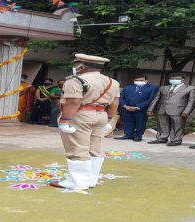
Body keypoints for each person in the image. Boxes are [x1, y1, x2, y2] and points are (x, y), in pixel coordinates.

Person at [49, 53, 120, 190]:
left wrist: (64, 121)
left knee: (77, 148)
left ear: (81, 66)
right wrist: (109, 119)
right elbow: (115, 102)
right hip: (101, 114)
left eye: (76, 64)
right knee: (95, 148)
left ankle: (77, 182)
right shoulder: (113, 82)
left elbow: (73, 102)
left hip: (80, 115)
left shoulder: (75, 80)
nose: (74, 67)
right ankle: (90, 180)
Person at [147, 73, 195, 146]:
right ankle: (161, 138)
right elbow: (156, 99)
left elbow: (191, 101)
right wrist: (150, 109)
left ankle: (176, 140)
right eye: (172, 79)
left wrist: (187, 111)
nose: (174, 80)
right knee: (162, 124)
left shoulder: (190, 88)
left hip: (179, 110)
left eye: (177, 79)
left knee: (177, 125)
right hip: (162, 109)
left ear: (183, 79)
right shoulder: (163, 88)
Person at [115, 75, 158, 141]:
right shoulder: (128, 87)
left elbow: (151, 99)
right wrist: (125, 106)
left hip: (141, 109)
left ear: (146, 81)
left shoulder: (152, 88)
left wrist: (138, 106)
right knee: (127, 121)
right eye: (136, 80)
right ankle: (128, 134)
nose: (138, 81)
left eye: (141, 80)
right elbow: (121, 97)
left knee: (140, 122)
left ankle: (138, 136)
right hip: (127, 108)